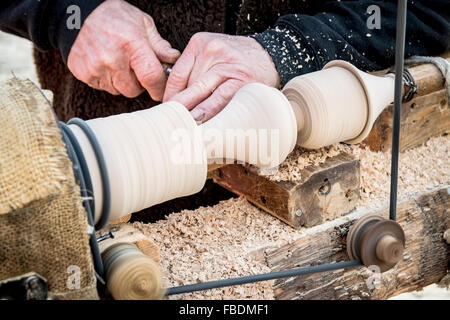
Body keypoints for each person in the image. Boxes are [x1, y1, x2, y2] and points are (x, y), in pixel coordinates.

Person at [1, 0, 449, 123]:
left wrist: (286, 48)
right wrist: (68, 14)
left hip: (300, 159)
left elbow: (432, 9)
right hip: (112, 152)